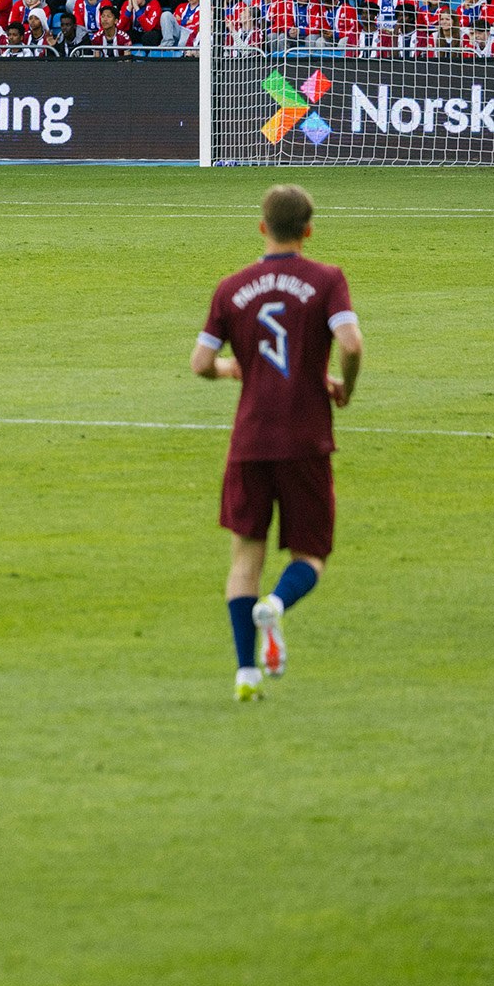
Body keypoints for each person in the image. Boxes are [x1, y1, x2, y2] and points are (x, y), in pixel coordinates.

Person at [190, 185, 364, 702]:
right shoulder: (326, 279)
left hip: (249, 441)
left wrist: (231, 369)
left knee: (245, 557)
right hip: (305, 437)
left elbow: (200, 364)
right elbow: (351, 342)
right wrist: (343, 387)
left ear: (261, 227)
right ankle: (278, 606)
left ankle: (245, 672)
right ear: (309, 230)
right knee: (310, 556)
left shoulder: (231, 287)